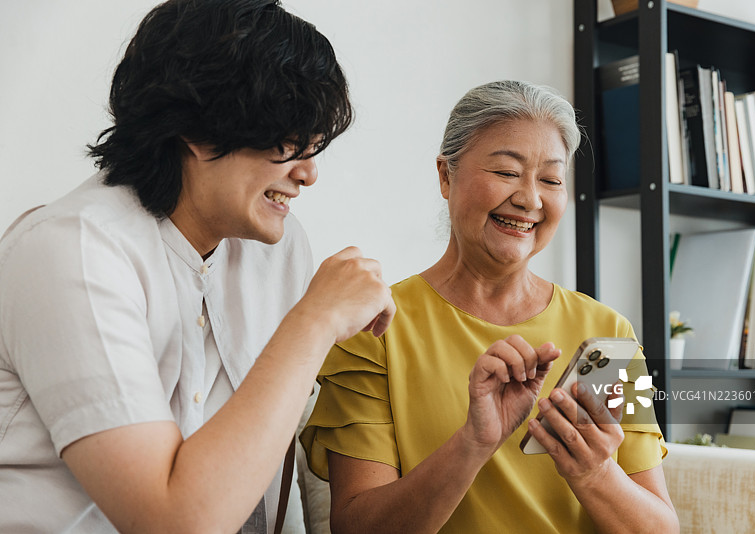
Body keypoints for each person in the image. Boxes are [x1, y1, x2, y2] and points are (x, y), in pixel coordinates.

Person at [0, 1, 395, 532]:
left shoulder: (279, 247)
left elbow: (284, 452)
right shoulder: (74, 251)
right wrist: (316, 320)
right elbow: (173, 521)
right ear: (199, 128)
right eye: (289, 141)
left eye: (314, 145)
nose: (308, 173)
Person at [301, 81, 680, 533]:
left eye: (551, 180)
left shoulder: (605, 334)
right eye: (506, 171)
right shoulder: (376, 327)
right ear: (446, 176)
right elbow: (355, 527)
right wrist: (472, 444)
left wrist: (595, 473)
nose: (530, 199)